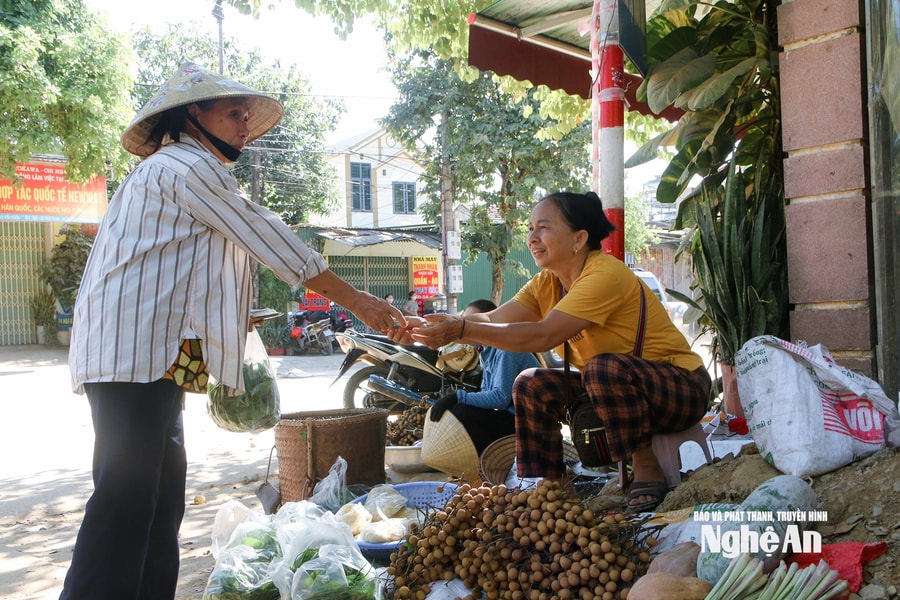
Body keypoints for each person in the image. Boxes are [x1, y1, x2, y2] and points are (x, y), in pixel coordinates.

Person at [61, 63, 404, 600]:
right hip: (131, 357)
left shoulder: (173, 170)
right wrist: (359, 302)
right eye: (234, 114)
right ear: (193, 113)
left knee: (160, 502)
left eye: (246, 115)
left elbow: (184, 270)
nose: (245, 126)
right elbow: (270, 238)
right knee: (124, 504)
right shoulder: (186, 166)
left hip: (154, 358)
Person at [392, 191, 710, 513]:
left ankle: (645, 466)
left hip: (681, 387)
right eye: (530, 229)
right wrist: (434, 324)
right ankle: (548, 487)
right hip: (611, 390)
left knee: (602, 368)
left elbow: (543, 335)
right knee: (530, 383)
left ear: (579, 238)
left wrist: (460, 330)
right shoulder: (547, 283)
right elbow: (492, 319)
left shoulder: (605, 274)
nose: (532, 238)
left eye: (543, 228)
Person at [427, 299, 541, 454]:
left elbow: (500, 398)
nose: (464, 328)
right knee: (459, 409)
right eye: (464, 321)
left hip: (530, 424)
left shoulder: (507, 348)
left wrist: (458, 397)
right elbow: (486, 393)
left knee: (463, 413)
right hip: (510, 417)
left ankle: (489, 462)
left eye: (471, 322)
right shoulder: (486, 351)